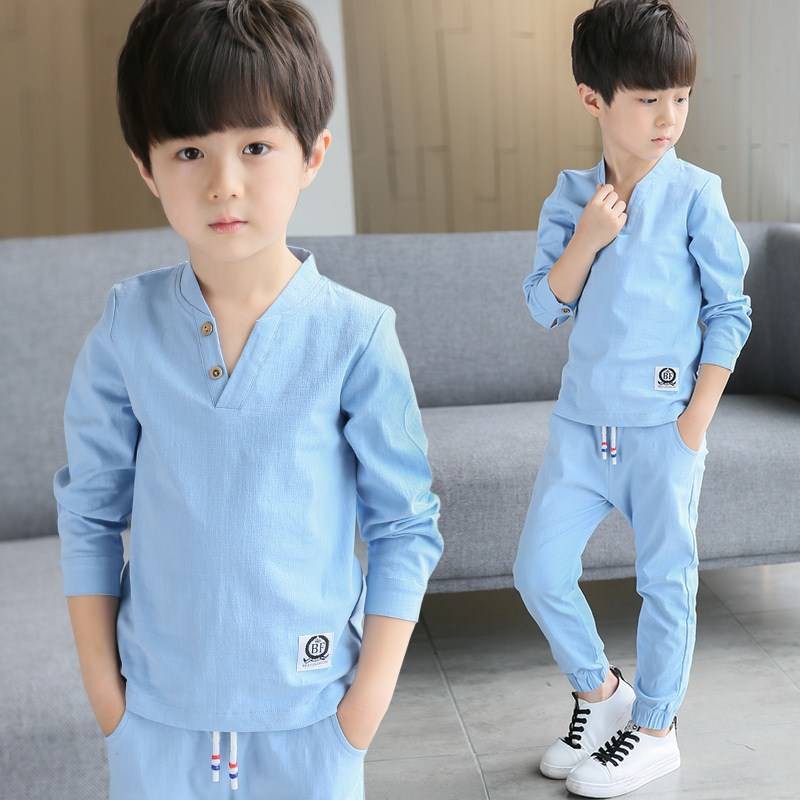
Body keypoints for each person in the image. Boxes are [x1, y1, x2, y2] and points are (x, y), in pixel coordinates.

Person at [52, 2, 443, 797]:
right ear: (146, 167)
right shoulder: (127, 325)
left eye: (256, 146)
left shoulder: (357, 335)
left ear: (312, 154)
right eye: (189, 150)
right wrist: (108, 700)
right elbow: (89, 512)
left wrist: (361, 712)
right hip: (156, 727)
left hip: (313, 723)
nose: (223, 183)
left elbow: (404, 525)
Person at [512, 1, 752, 796]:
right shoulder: (572, 197)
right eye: (648, 99)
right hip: (582, 431)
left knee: (665, 585)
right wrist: (588, 237)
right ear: (594, 99)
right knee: (539, 571)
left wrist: (694, 424)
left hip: (663, 431)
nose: (668, 118)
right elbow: (543, 306)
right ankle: (601, 693)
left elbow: (730, 311)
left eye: (680, 98)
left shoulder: (696, 195)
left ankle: (654, 731)